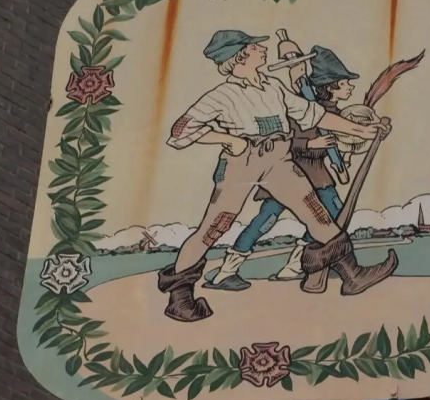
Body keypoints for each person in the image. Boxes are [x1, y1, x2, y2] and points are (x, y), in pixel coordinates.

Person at [159, 30, 398, 323]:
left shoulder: (272, 86)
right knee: (213, 228)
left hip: (280, 162)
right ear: (239, 57)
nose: (262, 48)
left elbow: (314, 115)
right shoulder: (222, 95)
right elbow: (180, 131)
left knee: (317, 215)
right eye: (254, 47)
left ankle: (353, 276)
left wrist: (362, 131)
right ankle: (180, 301)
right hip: (243, 164)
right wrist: (228, 139)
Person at [210, 45, 359, 289]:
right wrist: (311, 143)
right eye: (345, 83)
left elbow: (337, 141)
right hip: (287, 174)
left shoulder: (332, 111)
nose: (350, 87)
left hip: (318, 176)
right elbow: (285, 139)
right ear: (331, 85)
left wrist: (344, 155)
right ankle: (226, 272)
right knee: (265, 222)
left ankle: (297, 265)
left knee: (332, 216)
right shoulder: (300, 105)